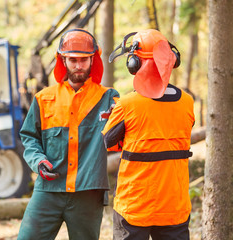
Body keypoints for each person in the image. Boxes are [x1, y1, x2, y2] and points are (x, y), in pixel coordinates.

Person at [17, 28, 120, 240]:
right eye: (73, 59)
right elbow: (29, 137)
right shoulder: (43, 98)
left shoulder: (109, 98)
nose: (78, 65)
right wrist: (38, 160)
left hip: (88, 193)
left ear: (93, 60)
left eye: (84, 59)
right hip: (48, 188)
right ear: (63, 60)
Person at [102, 29, 195, 240]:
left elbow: (106, 141)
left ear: (134, 63)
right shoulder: (187, 102)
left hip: (134, 207)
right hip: (174, 207)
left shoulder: (127, 104)